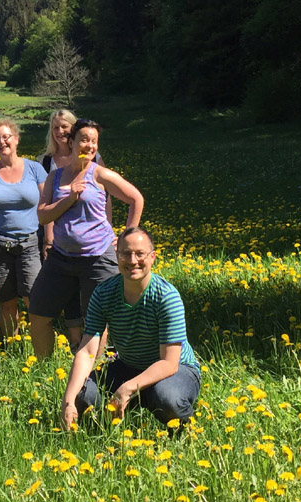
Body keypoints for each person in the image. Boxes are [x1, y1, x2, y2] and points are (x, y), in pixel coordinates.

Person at [61, 227, 200, 430]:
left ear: (152, 257)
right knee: (82, 395)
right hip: (128, 365)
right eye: (126, 254)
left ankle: (186, 431)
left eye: (140, 254)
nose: (133, 260)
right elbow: (87, 351)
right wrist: (68, 400)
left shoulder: (166, 297)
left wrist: (127, 387)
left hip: (176, 369)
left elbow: (169, 363)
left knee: (167, 398)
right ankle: (132, 404)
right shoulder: (103, 293)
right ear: (117, 256)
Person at [29, 118, 144, 358]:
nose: (90, 146)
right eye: (84, 140)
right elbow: (42, 216)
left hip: (97, 258)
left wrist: (125, 238)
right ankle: (42, 369)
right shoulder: (55, 177)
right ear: (71, 143)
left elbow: (136, 199)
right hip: (60, 258)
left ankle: (93, 373)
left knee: (96, 320)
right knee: (38, 314)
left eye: (94, 141)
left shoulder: (101, 175)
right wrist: (69, 198)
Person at [0, 118, 47, 338]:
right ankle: (11, 347)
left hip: (29, 244)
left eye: (6, 137)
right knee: (6, 302)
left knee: (33, 297)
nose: (1, 142)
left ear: (16, 139)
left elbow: (46, 206)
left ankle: (39, 345)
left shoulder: (35, 169)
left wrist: (49, 241)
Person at [39, 108, 108, 346]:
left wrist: (114, 233)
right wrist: (48, 240)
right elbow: (45, 205)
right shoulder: (46, 162)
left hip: (93, 245)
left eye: (65, 127)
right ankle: (75, 341)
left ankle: (92, 355)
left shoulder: (93, 159)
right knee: (66, 297)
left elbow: (104, 200)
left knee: (94, 304)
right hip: (59, 240)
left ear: (73, 131)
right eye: (55, 127)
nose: (60, 131)